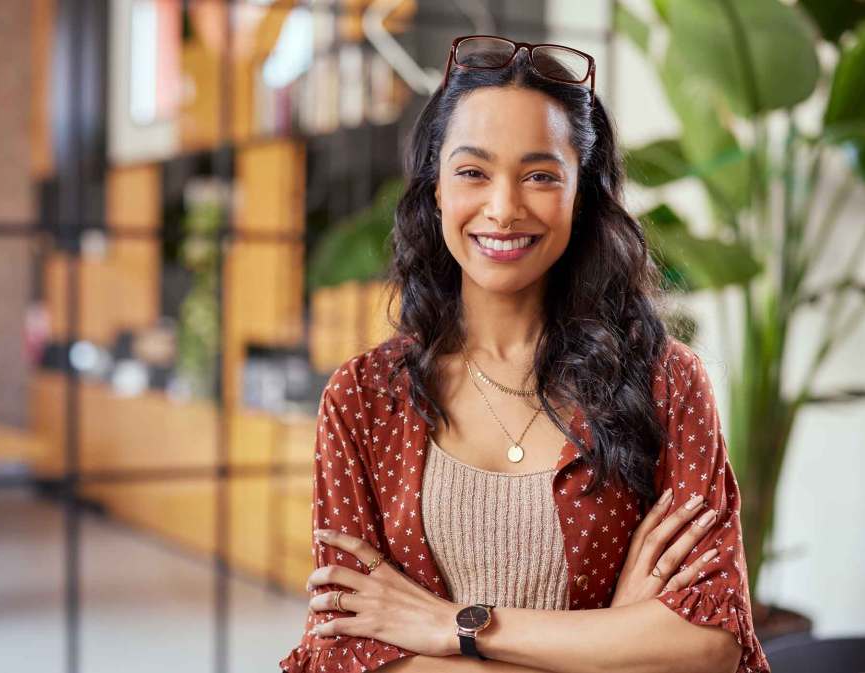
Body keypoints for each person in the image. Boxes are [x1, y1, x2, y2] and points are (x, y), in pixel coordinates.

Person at [280, 34, 770, 673]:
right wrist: (613, 640)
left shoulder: (665, 382)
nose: (504, 208)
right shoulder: (363, 399)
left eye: (540, 175)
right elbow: (344, 652)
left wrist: (449, 626)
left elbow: (708, 645)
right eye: (472, 172)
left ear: (581, 195)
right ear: (435, 190)